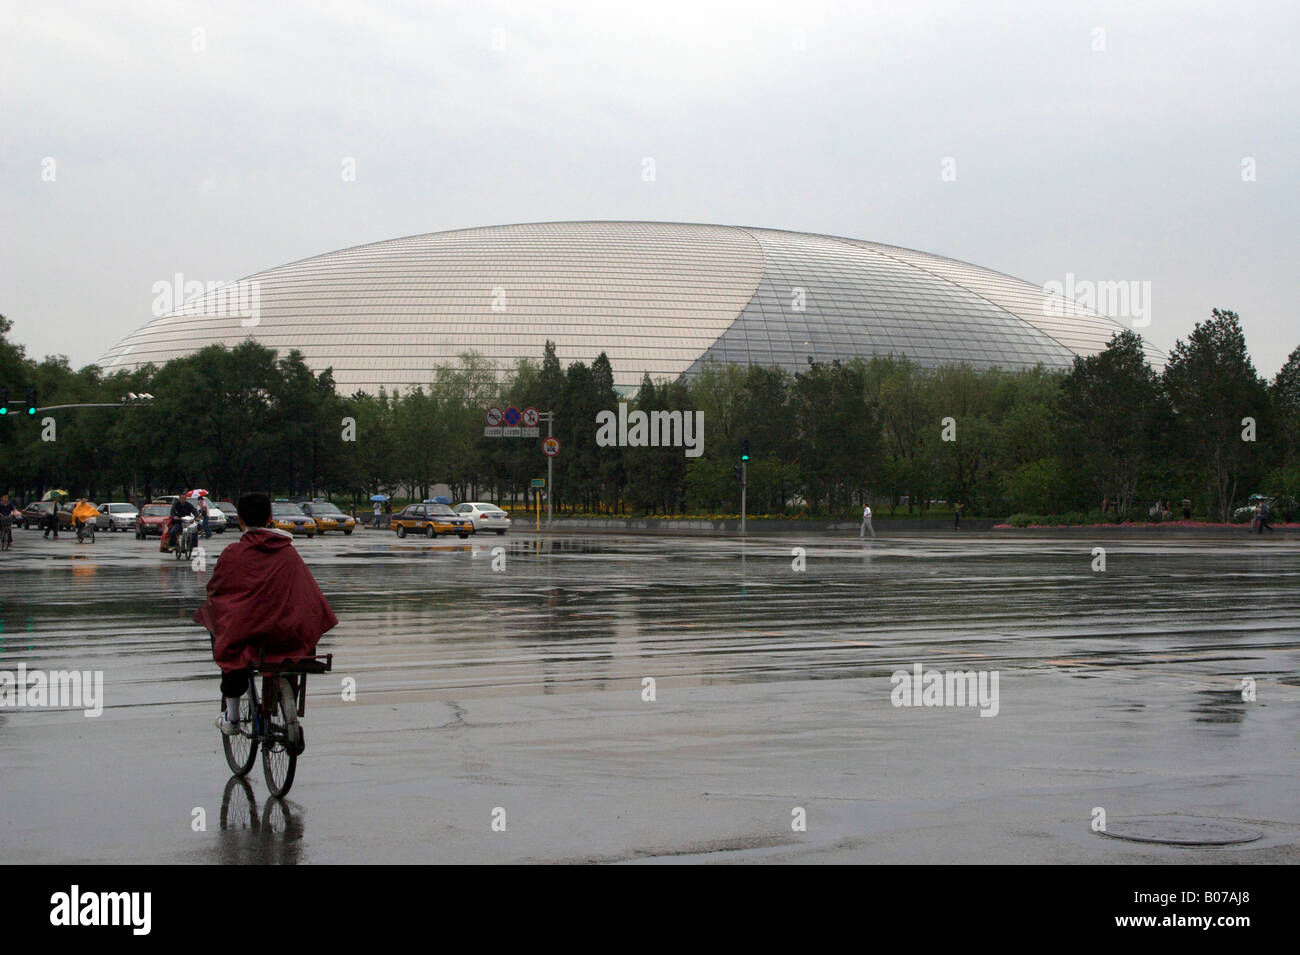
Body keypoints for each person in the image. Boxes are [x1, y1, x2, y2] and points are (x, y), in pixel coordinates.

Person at [194, 493, 338, 735]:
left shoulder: (234, 553)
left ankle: (232, 717)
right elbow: (307, 594)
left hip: (249, 635)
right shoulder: (288, 552)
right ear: (271, 517)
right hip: (287, 634)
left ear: (240, 520)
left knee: (218, 626)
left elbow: (218, 593)